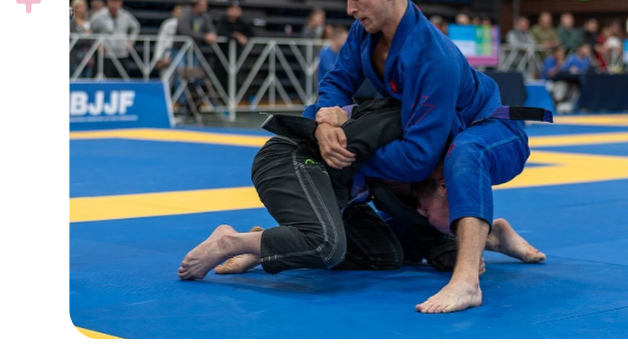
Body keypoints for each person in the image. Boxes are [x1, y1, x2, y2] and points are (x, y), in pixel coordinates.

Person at [302, 0, 532, 314]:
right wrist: (324, 120)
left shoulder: (431, 55)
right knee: (400, 246)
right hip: (442, 135)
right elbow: (337, 82)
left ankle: (467, 281)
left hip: (493, 131)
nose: (350, 9)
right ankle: (491, 234)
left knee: (463, 153)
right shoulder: (364, 32)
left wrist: (349, 150)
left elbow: (418, 158)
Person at [179, 99, 545, 280]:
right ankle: (232, 240)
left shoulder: (415, 193)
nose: (427, 218)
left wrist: (466, 252)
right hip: (293, 157)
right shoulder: (409, 142)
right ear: (448, 187)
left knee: (386, 254)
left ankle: (266, 242)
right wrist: (329, 118)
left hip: (333, 192)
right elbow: (332, 135)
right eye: (455, 221)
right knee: (326, 243)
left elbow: (428, 239)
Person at [89, 0, 141, 79]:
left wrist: (131, 41)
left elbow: (136, 27)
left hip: (122, 53)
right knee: (105, 78)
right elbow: (90, 31)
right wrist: (97, 45)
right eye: (112, 1)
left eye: (117, 2)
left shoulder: (126, 16)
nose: (115, 4)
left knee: (122, 79)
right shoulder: (99, 16)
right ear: (108, 2)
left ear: (121, 2)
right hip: (106, 54)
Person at [69, 0, 94, 78]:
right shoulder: (71, 22)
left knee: (87, 77)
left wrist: (89, 36)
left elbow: (92, 39)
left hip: (87, 55)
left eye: (82, 7)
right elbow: (72, 38)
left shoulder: (88, 21)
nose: (81, 9)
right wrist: (85, 36)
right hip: (75, 55)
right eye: (78, 7)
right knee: (76, 77)